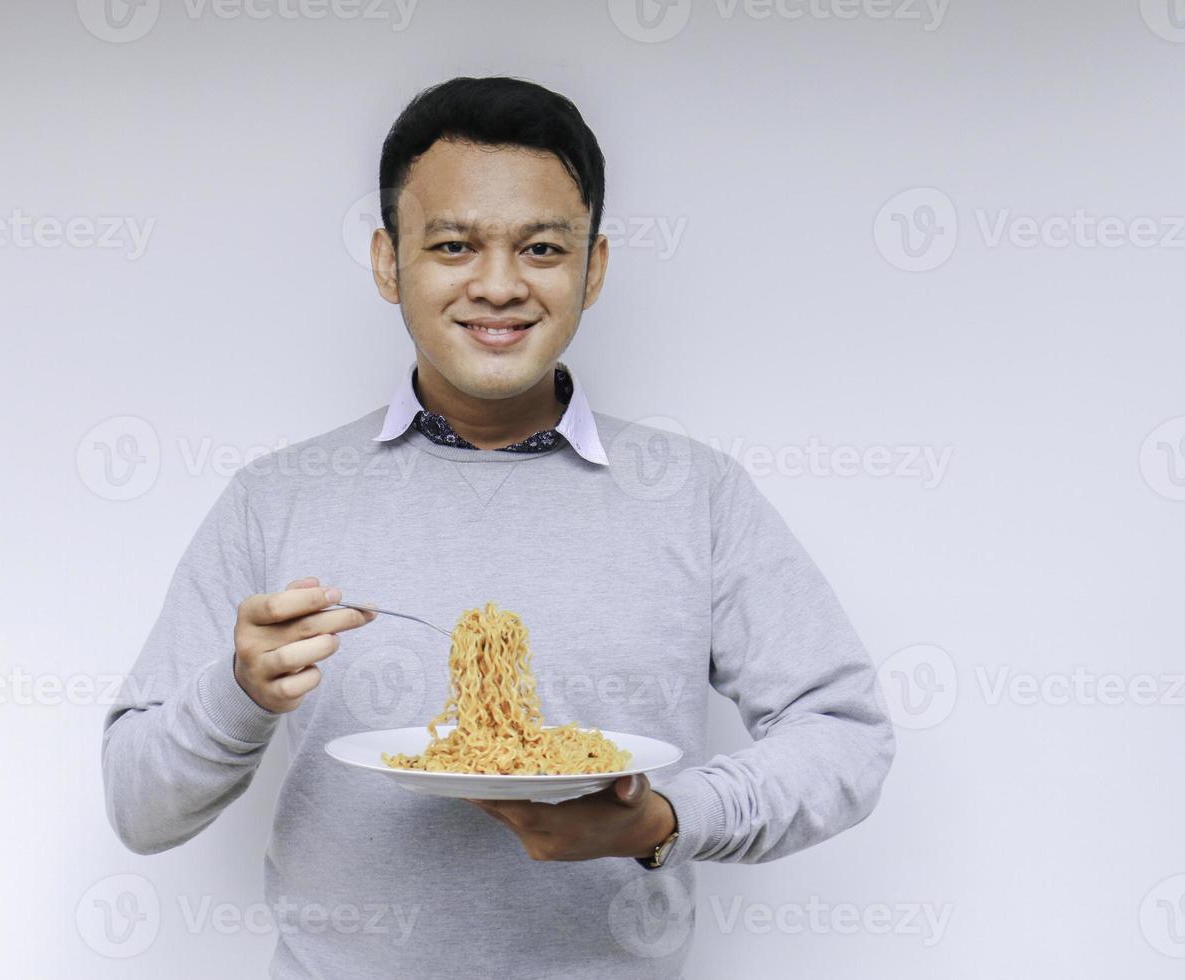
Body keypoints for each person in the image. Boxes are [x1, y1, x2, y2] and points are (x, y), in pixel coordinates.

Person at [101, 75, 896, 979]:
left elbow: (845, 733)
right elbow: (138, 806)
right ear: (387, 261)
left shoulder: (697, 495)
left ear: (592, 269)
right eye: (452, 244)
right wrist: (240, 691)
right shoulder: (277, 499)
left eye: (542, 247)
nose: (499, 284)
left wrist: (667, 821)